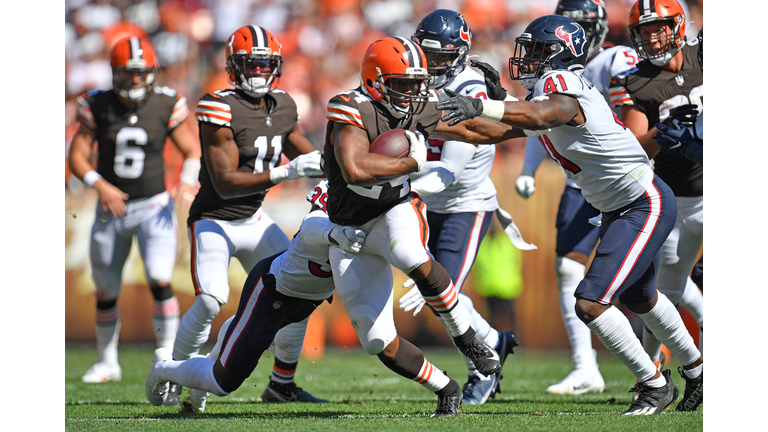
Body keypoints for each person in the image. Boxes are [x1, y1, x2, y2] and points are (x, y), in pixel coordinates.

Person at [436, 14, 703, 414]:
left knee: (590, 303)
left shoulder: (559, 85)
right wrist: (429, 123)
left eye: (537, 50)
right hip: (620, 206)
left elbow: (544, 115)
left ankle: (654, 384)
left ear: (560, 53)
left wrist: (482, 102)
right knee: (642, 296)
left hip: (640, 201)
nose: (526, 58)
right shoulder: (546, 93)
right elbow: (486, 132)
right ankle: (699, 373)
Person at [146, 181, 468, 418]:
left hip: (309, 300)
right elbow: (312, 224)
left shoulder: (388, 194)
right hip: (276, 292)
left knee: (378, 339)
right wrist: (336, 233)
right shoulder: (337, 186)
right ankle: (164, 368)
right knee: (223, 381)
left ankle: (446, 388)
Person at [322, 36, 520, 415]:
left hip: (394, 207)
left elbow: (477, 131)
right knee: (376, 339)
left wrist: (522, 117)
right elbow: (355, 169)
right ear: (374, 79)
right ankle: (446, 388)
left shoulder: (422, 103)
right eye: (401, 84)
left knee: (408, 251)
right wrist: (412, 163)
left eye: (416, 83)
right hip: (349, 228)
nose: (411, 93)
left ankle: (468, 339)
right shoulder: (349, 107)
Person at [170, 25, 325, 405]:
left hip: (254, 220)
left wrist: (353, 162)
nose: (258, 73)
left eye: (264, 65)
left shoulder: (283, 104)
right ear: (233, 67)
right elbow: (223, 183)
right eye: (250, 65)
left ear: (275, 67)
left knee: (300, 288)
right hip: (214, 219)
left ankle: (281, 384)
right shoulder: (218, 106)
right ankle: (176, 372)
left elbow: (309, 158)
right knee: (210, 300)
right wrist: (283, 173)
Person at [512, 0, 642, 396]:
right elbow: (543, 126)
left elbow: (635, 124)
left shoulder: (614, 61)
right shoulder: (549, 82)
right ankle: (586, 367)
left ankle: (666, 363)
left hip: (622, 181)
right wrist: (527, 170)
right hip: (581, 184)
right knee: (570, 270)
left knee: (651, 283)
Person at [403, 9, 525, 405]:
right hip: (428, 201)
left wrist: (391, 186)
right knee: (443, 295)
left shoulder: (468, 89)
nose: (432, 65)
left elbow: (449, 172)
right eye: (427, 55)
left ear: (459, 55)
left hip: (463, 204)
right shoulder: (414, 80)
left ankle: (482, 369)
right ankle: (493, 342)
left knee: (444, 295)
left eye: (441, 58)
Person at [68, 36, 201, 391]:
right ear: (115, 73)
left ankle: (169, 358)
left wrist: (187, 183)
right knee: (106, 289)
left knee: (160, 278)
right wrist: (100, 184)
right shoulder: (97, 104)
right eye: (130, 74)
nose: (137, 81)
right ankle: (107, 361)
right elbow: (77, 156)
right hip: (110, 208)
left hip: (153, 206)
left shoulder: (167, 103)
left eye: (143, 73)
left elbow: (191, 150)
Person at [609, 0, 703, 411]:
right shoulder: (633, 81)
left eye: (661, 27)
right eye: (646, 31)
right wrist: (666, 132)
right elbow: (635, 143)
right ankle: (655, 377)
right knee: (661, 292)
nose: (654, 36)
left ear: (678, 26)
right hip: (676, 198)